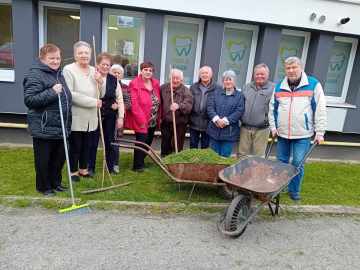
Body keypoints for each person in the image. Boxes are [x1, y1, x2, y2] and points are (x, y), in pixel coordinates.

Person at [269, 56, 327, 201]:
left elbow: (320, 109)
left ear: (301, 68)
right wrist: (273, 127)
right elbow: (272, 109)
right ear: (285, 70)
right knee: (281, 162)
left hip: (303, 134)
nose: (291, 71)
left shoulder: (313, 84)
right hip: (282, 133)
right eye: (288, 68)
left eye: (294, 67)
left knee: (297, 162)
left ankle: (294, 191)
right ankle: (278, 188)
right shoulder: (279, 86)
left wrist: (320, 132)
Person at [23, 43, 72, 196]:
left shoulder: (58, 74)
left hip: (60, 125)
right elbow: (30, 100)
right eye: (51, 58)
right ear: (42, 58)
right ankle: (44, 187)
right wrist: (52, 91)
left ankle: (55, 183)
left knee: (58, 158)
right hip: (44, 126)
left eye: (58, 58)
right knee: (44, 160)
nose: (56, 61)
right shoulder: (35, 74)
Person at [63, 41, 104, 181]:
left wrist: (100, 82)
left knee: (88, 145)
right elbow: (70, 94)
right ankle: (73, 171)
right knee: (75, 145)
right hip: (77, 115)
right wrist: (93, 102)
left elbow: (101, 94)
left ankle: (83, 169)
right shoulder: (69, 70)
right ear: (75, 55)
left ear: (90, 55)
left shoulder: (94, 70)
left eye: (86, 53)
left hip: (91, 117)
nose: (84, 55)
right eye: (80, 53)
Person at [88, 53, 125, 176]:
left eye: (107, 65)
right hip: (95, 113)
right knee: (92, 142)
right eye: (103, 64)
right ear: (98, 65)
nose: (105, 67)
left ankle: (110, 167)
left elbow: (119, 99)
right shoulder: (91, 77)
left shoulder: (114, 79)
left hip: (110, 115)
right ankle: (90, 168)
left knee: (110, 142)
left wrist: (120, 116)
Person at [124, 62, 161, 172]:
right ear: (141, 71)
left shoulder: (155, 83)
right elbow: (134, 104)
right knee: (141, 141)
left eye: (150, 70)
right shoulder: (134, 84)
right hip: (141, 119)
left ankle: (141, 160)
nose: (148, 72)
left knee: (148, 142)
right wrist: (141, 120)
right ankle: (137, 166)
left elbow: (158, 100)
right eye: (145, 70)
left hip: (152, 119)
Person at [206, 70, 245, 157]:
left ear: (234, 81)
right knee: (213, 157)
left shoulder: (239, 96)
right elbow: (210, 107)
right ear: (223, 81)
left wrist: (225, 121)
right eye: (225, 80)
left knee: (224, 157)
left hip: (229, 133)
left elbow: (239, 111)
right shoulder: (216, 93)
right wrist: (216, 120)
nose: (228, 82)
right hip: (214, 130)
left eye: (230, 79)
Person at [238, 63, 274, 157]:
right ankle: (241, 172)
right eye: (257, 74)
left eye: (262, 74)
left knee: (258, 157)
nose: (259, 76)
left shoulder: (273, 89)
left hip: (262, 129)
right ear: (254, 75)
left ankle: (256, 172)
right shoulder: (246, 87)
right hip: (245, 128)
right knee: (242, 155)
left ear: (267, 75)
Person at [160, 69, 193, 156]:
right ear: (169, 78)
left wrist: (179, 106)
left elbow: (189, 106)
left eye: (177, 78)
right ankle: (164, 160)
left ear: (181, 80)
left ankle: (176, 161)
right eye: (173, 78)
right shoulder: (163, 88)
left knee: (177, 143)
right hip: (166, 121)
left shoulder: (186, 91)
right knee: (165, 142)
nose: (175, 80)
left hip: (180, 123)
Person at [189, 66, 218, 149]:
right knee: (193, 145)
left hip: (209, 123)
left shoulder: (217, 88)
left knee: (205, 147)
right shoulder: (193, 87)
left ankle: (203, 163)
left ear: (211, 75)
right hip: (194, 121)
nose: (204, 75)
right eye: (202, 73)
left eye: (206, 73)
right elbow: (189, 102)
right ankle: (193, 162)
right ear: (199, 75)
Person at [110, 64, 131, 173]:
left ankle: (115, 164)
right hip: (106, 117)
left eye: (119, 73)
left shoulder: (125, 88)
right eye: (114, 72)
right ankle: (107, 162)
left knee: (115, 141)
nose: (116, 74)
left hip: (118, 118)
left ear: (122, 75)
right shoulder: (105, 84)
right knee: (107, 140)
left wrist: (119, 105)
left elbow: (128, 103)